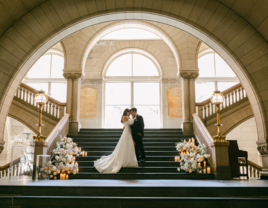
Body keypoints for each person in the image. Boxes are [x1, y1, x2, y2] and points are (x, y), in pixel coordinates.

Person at [94, 108, 138, 173]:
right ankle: (125, 160)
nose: (129, 113)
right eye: (129, 112)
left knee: (127, 146)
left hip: (127, 131)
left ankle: (127, 160)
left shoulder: (125, 117)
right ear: (126, 112)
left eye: (130, 112)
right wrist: (135, 116)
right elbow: (132, 122)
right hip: (127, 132)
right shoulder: (125, 117)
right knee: (125, 145)